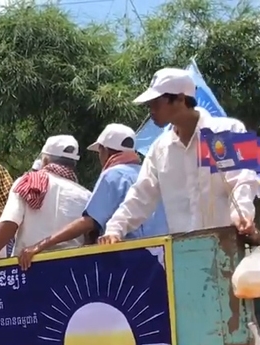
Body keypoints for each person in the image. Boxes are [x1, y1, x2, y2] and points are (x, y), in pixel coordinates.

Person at [100, 67, 259, 244]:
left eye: (156, 103)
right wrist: (115, 228)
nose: (151, 110)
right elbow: (140, 195)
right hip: (183, 253)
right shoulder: (158, 149)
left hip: (229, 244)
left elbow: (245, 179)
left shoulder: (231, 129)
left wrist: (242, 215)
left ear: (181, 99)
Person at [16, 124, 168, 269]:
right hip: (162, 255)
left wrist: (40, 245)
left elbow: (89, 222)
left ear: (104, 150)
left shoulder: (112, 174)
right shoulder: (146, 173)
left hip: (131, 257)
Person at [0, 135, 91, 275]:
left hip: (29, 266)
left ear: (46, 159)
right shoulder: (86, 195)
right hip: (72, 268)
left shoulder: (29, 182)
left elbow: (10, 223)